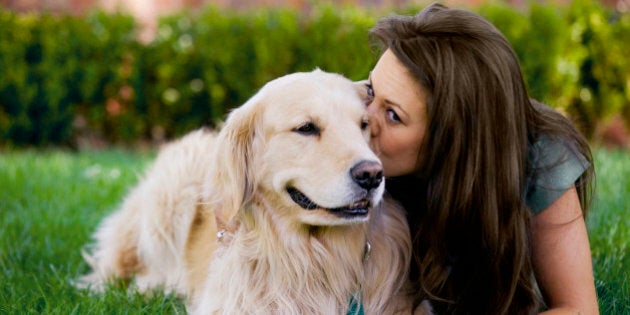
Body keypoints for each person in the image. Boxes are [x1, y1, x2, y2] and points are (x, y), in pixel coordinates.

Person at [363, 3, 599, 314]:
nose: (364, 119)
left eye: (393, 115)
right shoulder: (357, 149)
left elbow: (578, 308)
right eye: (370, 91)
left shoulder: (540, 157)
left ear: (451, 138)